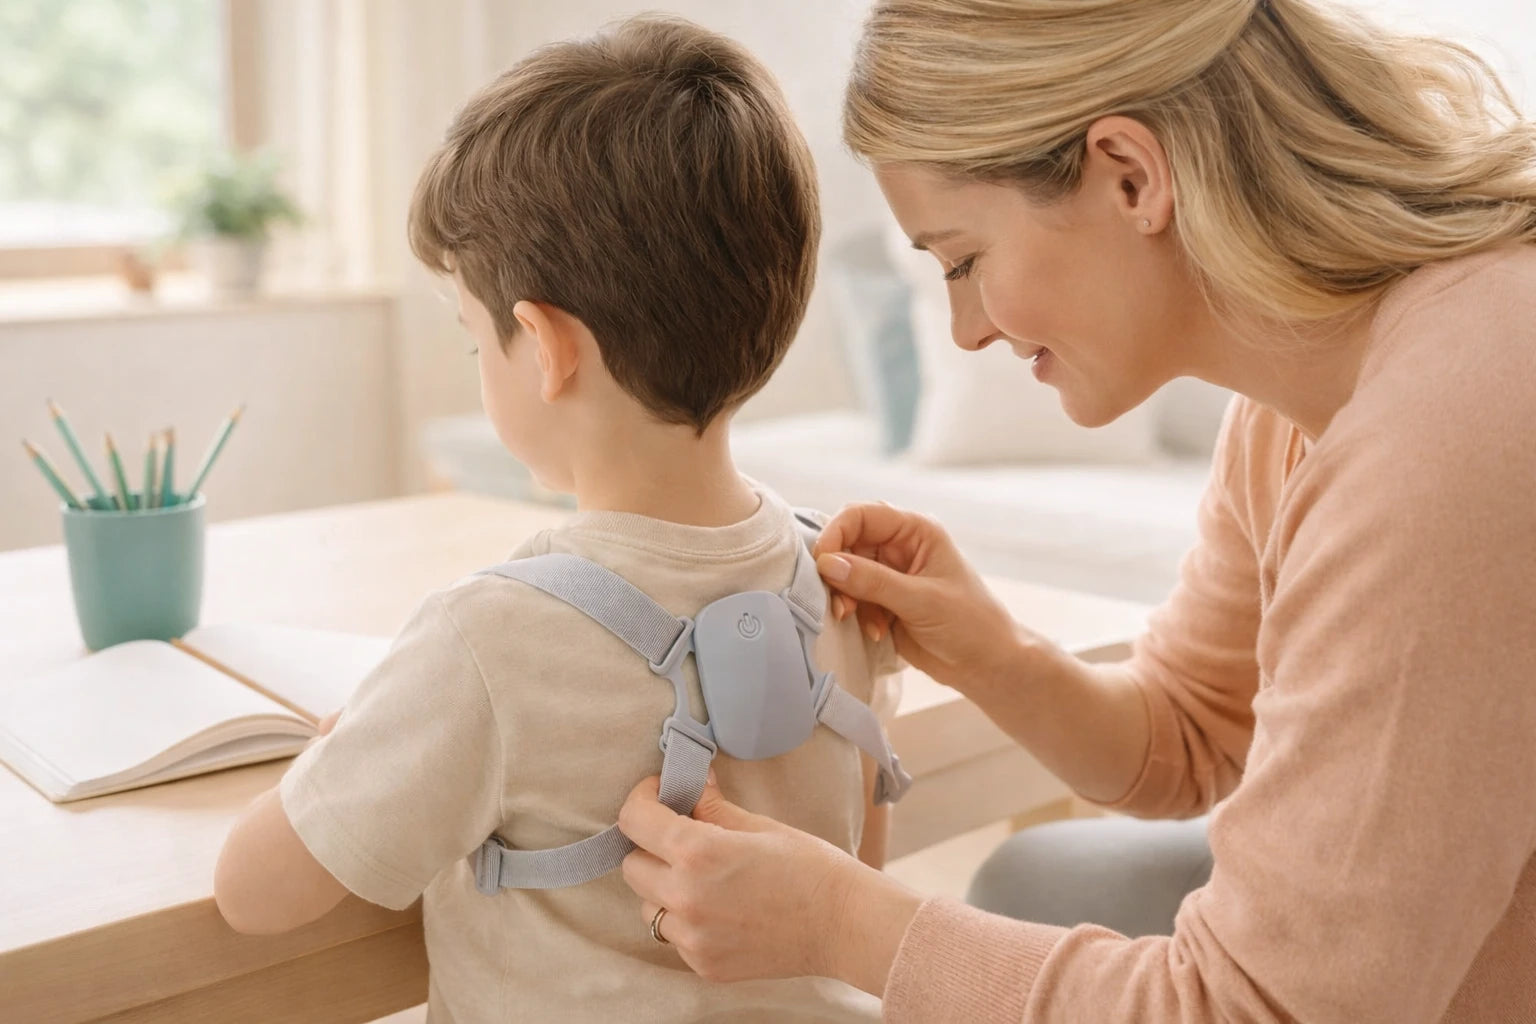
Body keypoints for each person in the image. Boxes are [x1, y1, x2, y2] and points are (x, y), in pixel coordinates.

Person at [616, 0, 1536, 1020]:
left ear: (1131, 176)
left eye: (964, 260)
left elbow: (1254, 1011)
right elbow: (1194, 730)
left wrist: (844, 923)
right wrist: (993, 654)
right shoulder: (1293, 407)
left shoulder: (1452, 432)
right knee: (1036, 881)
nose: (964, 331)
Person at [212, 15, 901, 1022]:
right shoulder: (846, 578)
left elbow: (254, 893)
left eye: (469, 337)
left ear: (541, 346)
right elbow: (857, 879)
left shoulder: (485, 639)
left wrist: (353, 744)